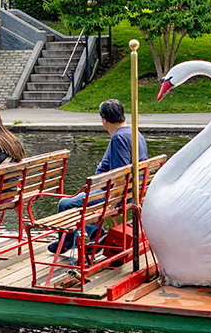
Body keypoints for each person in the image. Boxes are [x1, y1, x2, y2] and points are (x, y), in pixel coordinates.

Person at [50, 99, 144, 255]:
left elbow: (120, 175)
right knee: (85, 197)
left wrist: (112, 201)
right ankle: (96, 236)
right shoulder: (134, 132)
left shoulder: (118, 138)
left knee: (65, 203)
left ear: (104, 119)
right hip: (132, 191)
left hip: (117, 196)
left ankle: (70, 242)